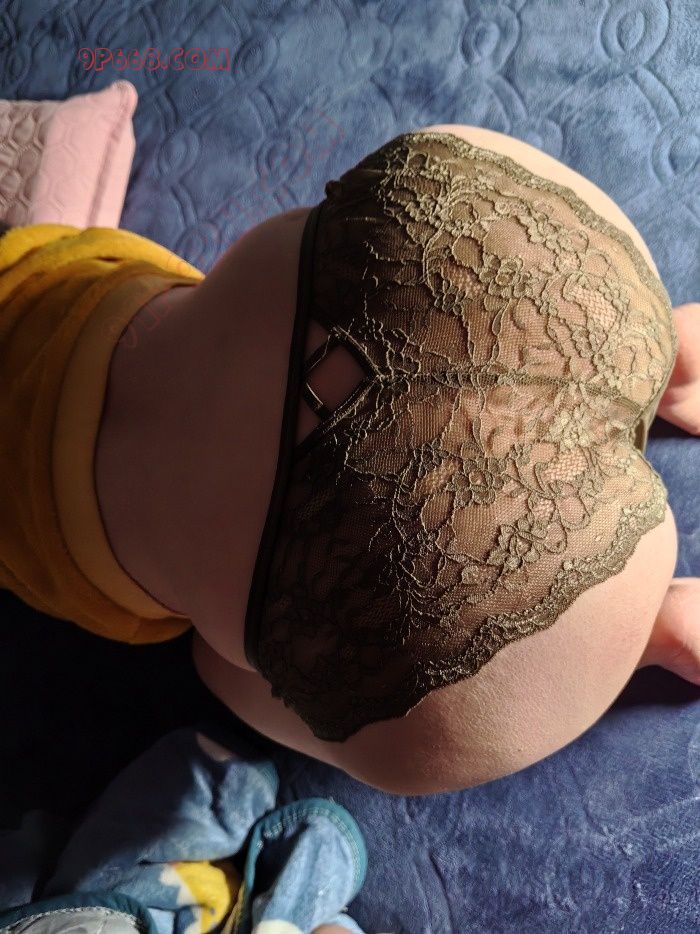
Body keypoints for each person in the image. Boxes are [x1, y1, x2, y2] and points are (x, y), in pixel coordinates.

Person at [1, 124, 698, 799]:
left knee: (286, 656)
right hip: (61, 295)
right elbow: (213, 666)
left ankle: (644, 628)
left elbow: (220, 667)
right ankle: (657, 358)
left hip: (80, 433)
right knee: (476, 299)